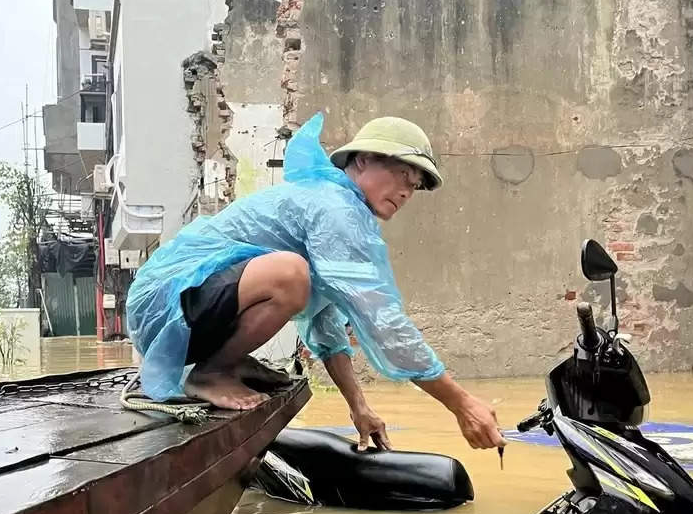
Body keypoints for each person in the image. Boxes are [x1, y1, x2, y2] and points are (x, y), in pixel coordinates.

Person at [125, 114, 505, 452]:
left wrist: (359, 407)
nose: (407, 190)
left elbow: (324, 322)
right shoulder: (334, 207)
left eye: (415, 184)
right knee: (290, 274)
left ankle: (228, 362)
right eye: (402, 174)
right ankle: (211, 373)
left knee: (297, 280)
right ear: (362, 161)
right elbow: (381, 320)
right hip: (165, 307)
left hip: (190, 311)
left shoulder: (344, 211)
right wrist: (461, 402)